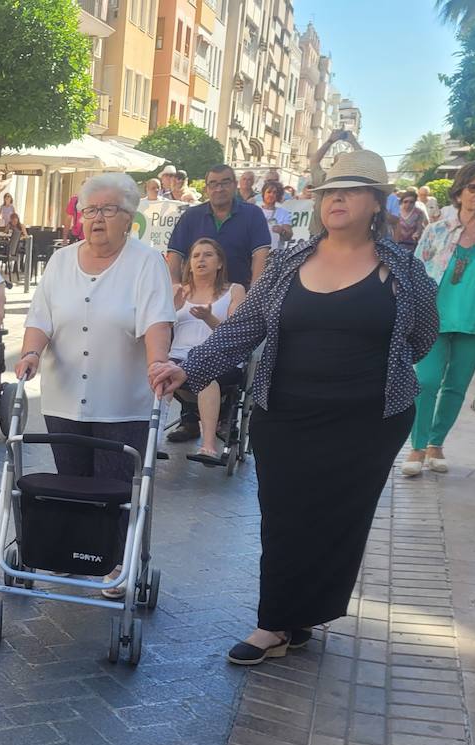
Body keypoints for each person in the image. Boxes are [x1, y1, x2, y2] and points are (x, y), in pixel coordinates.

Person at [150, 150, 439, 666]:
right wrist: (189, 370)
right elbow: (244, 329)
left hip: (368, 423)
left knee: (338, 520)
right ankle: (273, 623)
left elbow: (422, 336)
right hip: (285, 414)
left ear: (376, 202)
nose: (337, 199)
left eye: (351, 191)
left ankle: (301, 615)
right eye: (330, 191)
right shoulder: (289, 262)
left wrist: (374, 372)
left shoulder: (404, 269)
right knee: (284, 517)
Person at [15, 173, 175, 597]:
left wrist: (158, 362)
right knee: (71, 483)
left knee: (117, 487)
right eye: (90, 210)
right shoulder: (60, 262)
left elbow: (158, 320)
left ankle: (115, 561)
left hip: (123, 400)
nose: (97, 218)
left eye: (109, 210)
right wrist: (31, 353)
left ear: (129, 217)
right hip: (63, 396)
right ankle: (74, 554)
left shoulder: (146, 263)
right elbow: (40, 319)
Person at [405, 161, 475, 476]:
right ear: (460, 192)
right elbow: (414, 272)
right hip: (431, 320)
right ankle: (417, 446)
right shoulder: (437, 229)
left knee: (456, 386)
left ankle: (437, 444)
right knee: (425, 382)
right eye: (474, 187)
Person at [164, 163, 271, 442]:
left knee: (223, 346)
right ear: (206, 187)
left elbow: (260, 256)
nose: (219, 188)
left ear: (234, 185)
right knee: (183, 340)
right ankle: (189, 420)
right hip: (197, 288)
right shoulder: (192, 216)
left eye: (225, 182)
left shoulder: (251, 214)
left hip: (235, 293)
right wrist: (174, 286)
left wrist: (253, 296)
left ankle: (224, 420)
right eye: (213, 183)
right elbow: (174, 255)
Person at [171, 238, 246, 464]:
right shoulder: (178, 292)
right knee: (161, 374)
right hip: (179, 357)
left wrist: (209, 318)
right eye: (196, 256)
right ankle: (150, 440)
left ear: (220, 263)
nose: (201, 260)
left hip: (219, 358)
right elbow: (160, 328)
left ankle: (209, 447)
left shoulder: (234, 290)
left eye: (208, 255)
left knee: (206, 377)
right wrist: (170, 307)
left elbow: (237, 335)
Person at [259, 181, 294, 251]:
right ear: (263, 194)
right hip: (257, 252)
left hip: (276, 253)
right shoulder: (255, 211)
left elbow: (289, 236)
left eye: (274, 193)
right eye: (269, 192)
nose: (271, 195)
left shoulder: (284, 213)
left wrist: (282, 231)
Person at [4, 213, 29, 288]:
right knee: (6, 247)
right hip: (10, 243)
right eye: (12, 220)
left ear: (18, 220)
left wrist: (20, 238)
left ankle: (16, 266)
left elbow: (26, 235)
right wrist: (8, 226)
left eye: (15, 220)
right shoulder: (10, 225)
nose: (14, 222)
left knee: (15, 248)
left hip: (20, 244)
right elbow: (5, 233)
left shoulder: (21, 226)